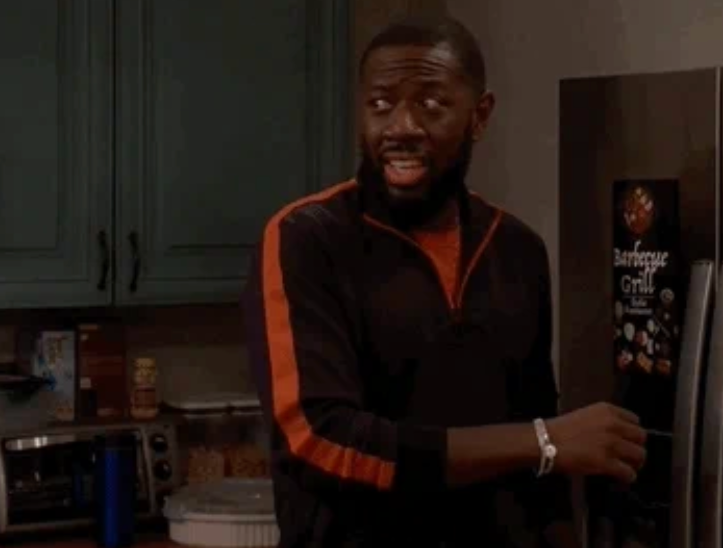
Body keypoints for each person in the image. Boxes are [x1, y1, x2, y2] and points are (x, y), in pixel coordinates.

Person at [241, 15, 647, 547]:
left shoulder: (517, 248)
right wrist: (542, 441)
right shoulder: (307, 238)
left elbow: (535, 427)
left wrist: (556, 511)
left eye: (431, 104)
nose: (401, 126)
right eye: (380, 104)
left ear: (480, 116)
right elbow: (320, 441)